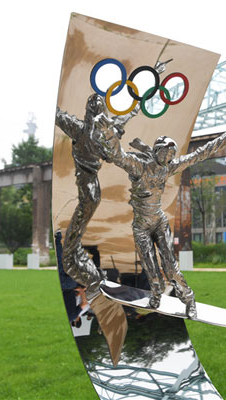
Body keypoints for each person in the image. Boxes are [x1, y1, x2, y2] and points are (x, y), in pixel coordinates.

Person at [99, 119, 226, 318]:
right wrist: (108, 132)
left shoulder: (167, 168)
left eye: (172, 155)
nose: (169, 157)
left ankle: (188, 298)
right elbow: (118, 155)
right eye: (166, 153)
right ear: (157, 150)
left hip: (159, 223)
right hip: (141, 227)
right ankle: (156, 294)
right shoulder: (139, 167)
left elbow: (201, 153)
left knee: (171, 268)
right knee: (149, 267)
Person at [55, 94, 139, 298]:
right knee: (70, 255)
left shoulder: (95, 129)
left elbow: (126, 116)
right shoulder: (88, 128)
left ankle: (92, 278)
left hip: (90, 187)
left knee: (70, 257)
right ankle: (92, 277)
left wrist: (136, 104)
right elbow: (58, 116)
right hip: (88, 186)